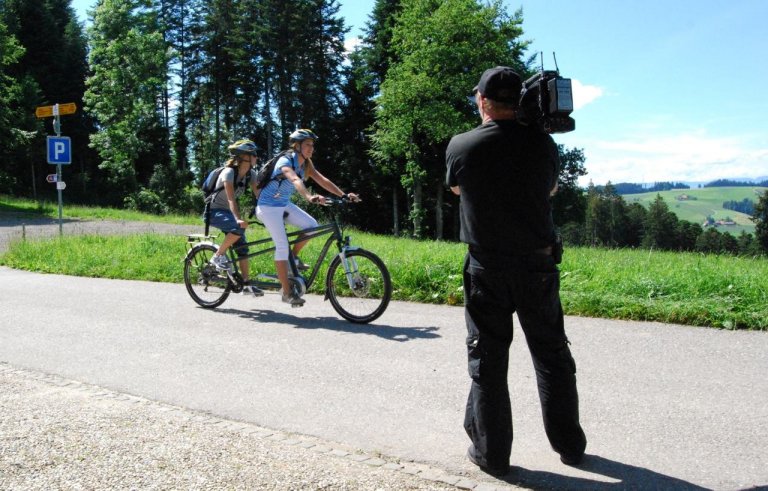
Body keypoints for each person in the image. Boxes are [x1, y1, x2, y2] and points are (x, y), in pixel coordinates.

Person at [445, 66, 587, 476]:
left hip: (487, 267)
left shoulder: (462, 145)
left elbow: (457, 189)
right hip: (537, 265)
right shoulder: (543, 145)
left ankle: (493, 455)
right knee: (552, 356)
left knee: (488, 361)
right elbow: (551, 189)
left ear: (484, 101)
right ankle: (570, 447)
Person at [256, 129, 359, 307]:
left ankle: (292, 258)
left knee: (311, 225)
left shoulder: (306, 164)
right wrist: (309, 197)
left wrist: (343, 195)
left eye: (312, 145)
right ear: (297, 146)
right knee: (281, 246)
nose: (311, 148)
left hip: (283, 204)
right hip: (267, 207)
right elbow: (295, 180)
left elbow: (323, 180)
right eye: (307, 145)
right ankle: (287, 292)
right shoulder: (285, 161)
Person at [207, 139, 263, 297]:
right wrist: (238, 219)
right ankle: (217, 256)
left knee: (242, 249)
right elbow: (231, 199)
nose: (256, 157)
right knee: (238, 228)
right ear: (243, 157)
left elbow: (260, 195)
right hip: (214, 211)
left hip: (228, 213)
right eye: (253, 154)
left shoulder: (251, 174)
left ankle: (246, 284)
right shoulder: (228, 172)